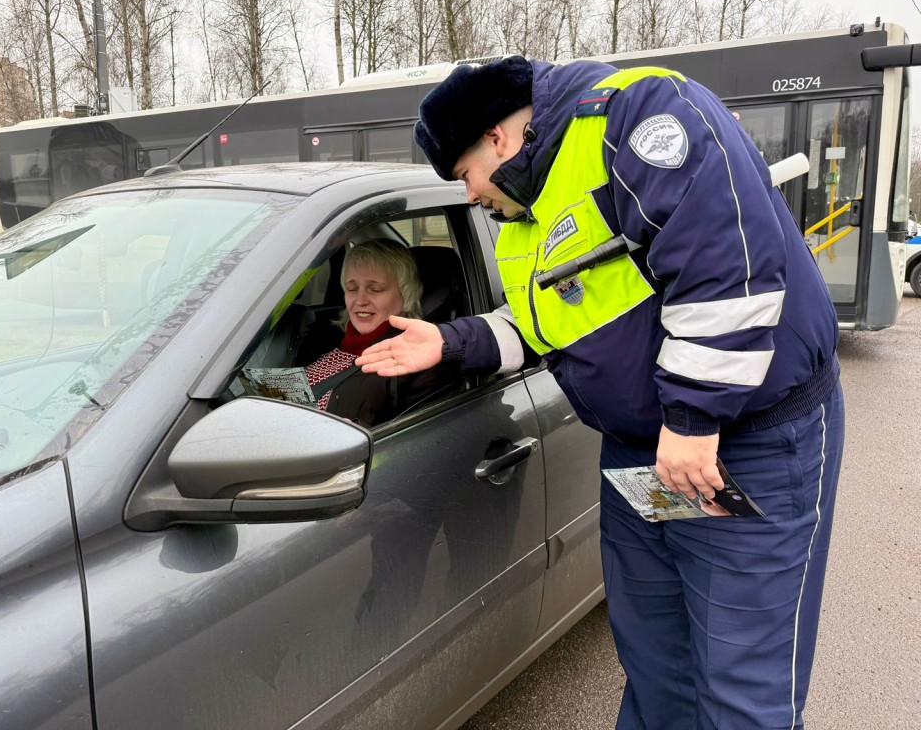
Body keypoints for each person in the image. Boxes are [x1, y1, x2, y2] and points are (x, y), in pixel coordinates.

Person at [356, 55, 845, 729]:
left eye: (465, 175)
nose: (469, 196)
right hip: (646, 453)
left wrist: (692, 420)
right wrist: (452, 343)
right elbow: (547, 323)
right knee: (659, 666)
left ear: (498, 138)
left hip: (739, 444)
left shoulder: (639, 116)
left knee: (741, 687)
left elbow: (727, 268)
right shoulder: (526, 212)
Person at [304, 238, 455, 428]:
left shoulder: (420, 359)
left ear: (406, 294)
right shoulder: (321, 338)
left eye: (375, 289)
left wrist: (357, 431)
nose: (360, 300)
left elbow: (422, 436)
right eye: (352, 288)